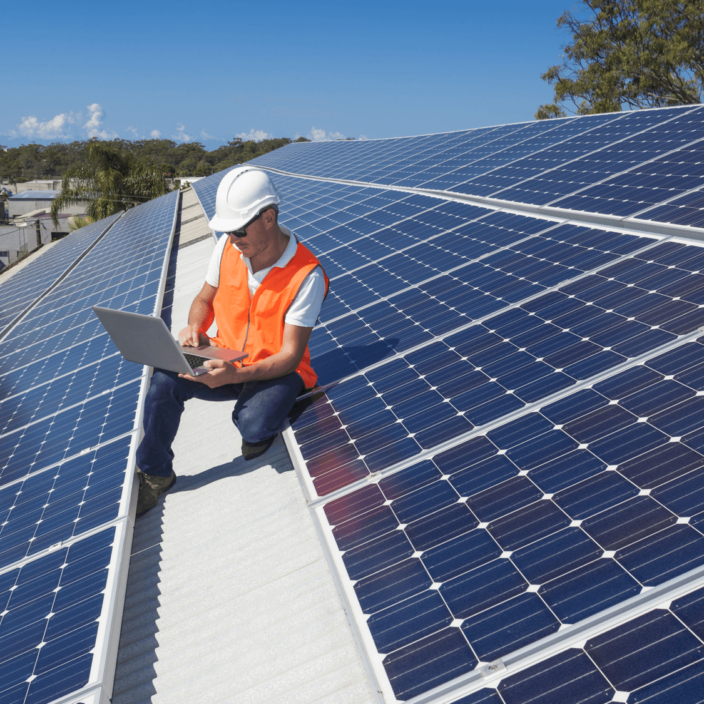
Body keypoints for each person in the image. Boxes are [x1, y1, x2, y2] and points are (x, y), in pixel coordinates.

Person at [135, 167, 328, 517]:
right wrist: (194, 328)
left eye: (239, 229)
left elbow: (289, 354)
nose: (233, 238)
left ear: (269, 218)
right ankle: (155, 472)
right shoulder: (228, 247)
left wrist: (235, 377)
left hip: (276, 371)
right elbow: (203, 300)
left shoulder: (306, 275)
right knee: (164, 379)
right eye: (227, 230)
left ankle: (267, 409)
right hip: (224, 355)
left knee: (253, 428)